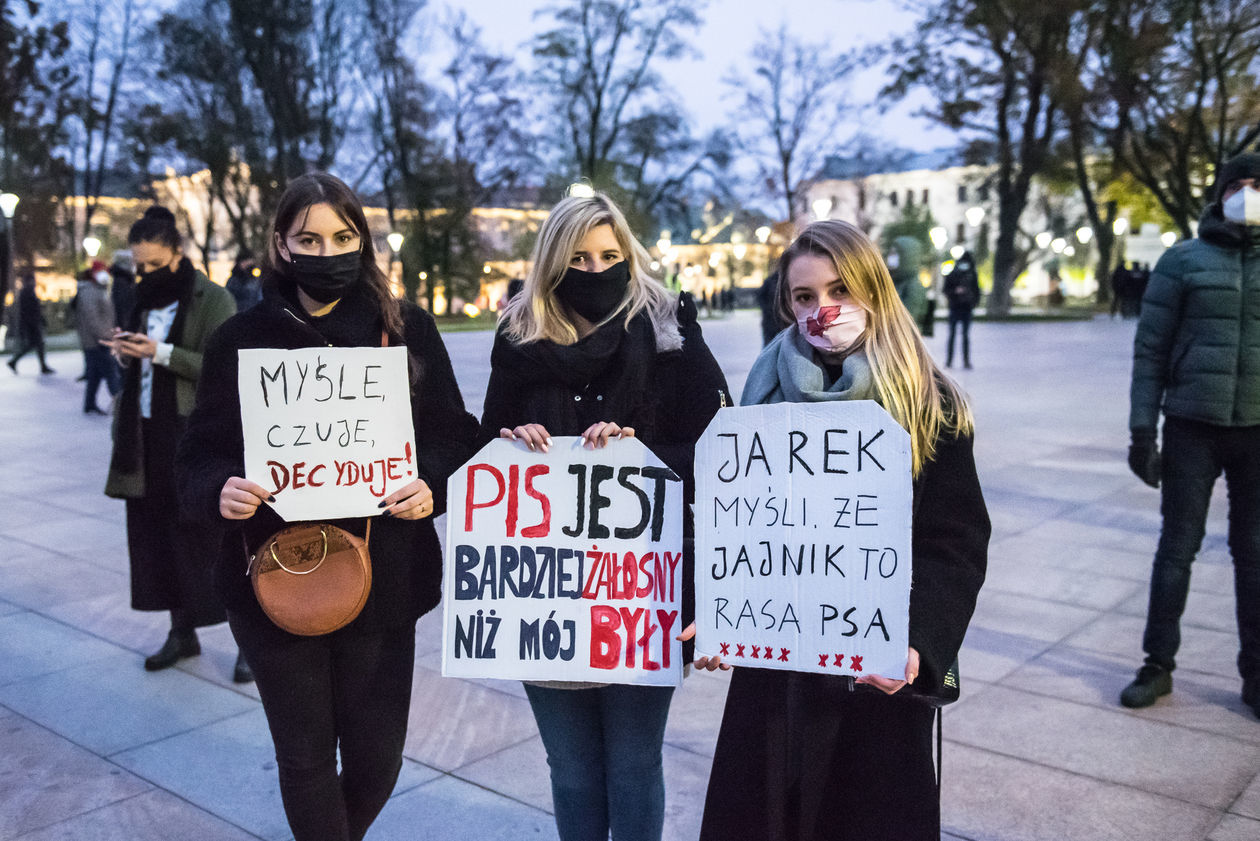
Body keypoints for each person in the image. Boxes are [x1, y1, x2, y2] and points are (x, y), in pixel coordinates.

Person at [175, 172, 480, 841]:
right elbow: (197, 455)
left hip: (386, 576)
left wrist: (430, 479)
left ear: (362, 240)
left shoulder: (404, 330)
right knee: (306, 757)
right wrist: (220, 485)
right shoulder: (239, 339)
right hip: (273, 573)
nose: (328, 249)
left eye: (342, 236)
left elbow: (456, 431)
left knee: (378, 757)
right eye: (308, 237)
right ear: (281, 245)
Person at [697, 220, 990, 841]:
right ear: (787, 304)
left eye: (840, 291)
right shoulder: (761, 396)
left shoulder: (928, 403)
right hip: (776, 675)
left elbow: (955, 543)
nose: (823, 311)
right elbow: (740, 530)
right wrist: (722, 612)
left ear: (873, 293)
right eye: (805, 297)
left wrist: (918, 642)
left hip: (877, 674)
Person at [480, 191, 730, 841]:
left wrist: (643, 454)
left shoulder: (671, 328)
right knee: (572, 768)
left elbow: (722, 449)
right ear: (553, 262)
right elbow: (484, 447)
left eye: (610, 254)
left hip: (644, 584)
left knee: (633, 762)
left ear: (629, 253)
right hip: (545, 588)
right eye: (579, 257)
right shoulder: (517, 335)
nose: (596, 269)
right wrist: (516, 437)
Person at [1121, 152, 1260, 719]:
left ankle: (1255, 673)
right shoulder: (1181, 261)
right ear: (1221, 192)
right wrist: (1140, 432)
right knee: (1177, 547)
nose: (1248, 194)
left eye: (1258, 185)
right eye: (1240, 185)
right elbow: (1150, 349)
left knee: (1253, 554)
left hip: (1256, 429)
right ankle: (1157, 665)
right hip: (1190, 425)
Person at [100, 206, 244, 679]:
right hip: (142, 437)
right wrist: (126, 355)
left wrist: (159, 353)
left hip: (190, 436)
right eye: (138, 266)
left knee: (211, 539)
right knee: (156, 538)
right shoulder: (141, 301)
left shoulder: (213, 299)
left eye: (154, 265)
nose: (144, 275)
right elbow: (138, 369)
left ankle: (248, 637)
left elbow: (222, 369)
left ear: (179, 256)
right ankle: (181, 631)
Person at [75, 260, 121, 414]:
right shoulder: (89, 291)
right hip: (97, 341)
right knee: (111, 372)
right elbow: (92, 319)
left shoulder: (98, 289)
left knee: (95, 374)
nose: (105, 275)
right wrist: (106, 336)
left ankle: (89, 404)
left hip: (96, 340)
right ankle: (121, 405)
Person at [7, 272, 54, 374]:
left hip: (33, 323)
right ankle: (15, 361)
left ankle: (41, 366)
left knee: (37, 345)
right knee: (35, 344)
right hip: (31, 324)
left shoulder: (29, 291)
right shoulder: (27, 292)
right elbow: (28, 311)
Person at [945, 249, 981, 368]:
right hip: (956, 307)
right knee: (953, 335)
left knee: (963, 335)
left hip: (965, 308)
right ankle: (950, 361)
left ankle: (964, 361)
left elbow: (976, 290)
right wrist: (955, 292)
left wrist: (973, 302)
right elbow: (946, 289)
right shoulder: (954, 273)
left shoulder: (971, 274)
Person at [224, 247, 263, 312]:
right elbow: (227, 299)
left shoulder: (256, 280)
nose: (247, 265)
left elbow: (260, 298)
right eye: (245, 262)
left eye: (250, 263)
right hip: (237, 314)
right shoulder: (233, 281)